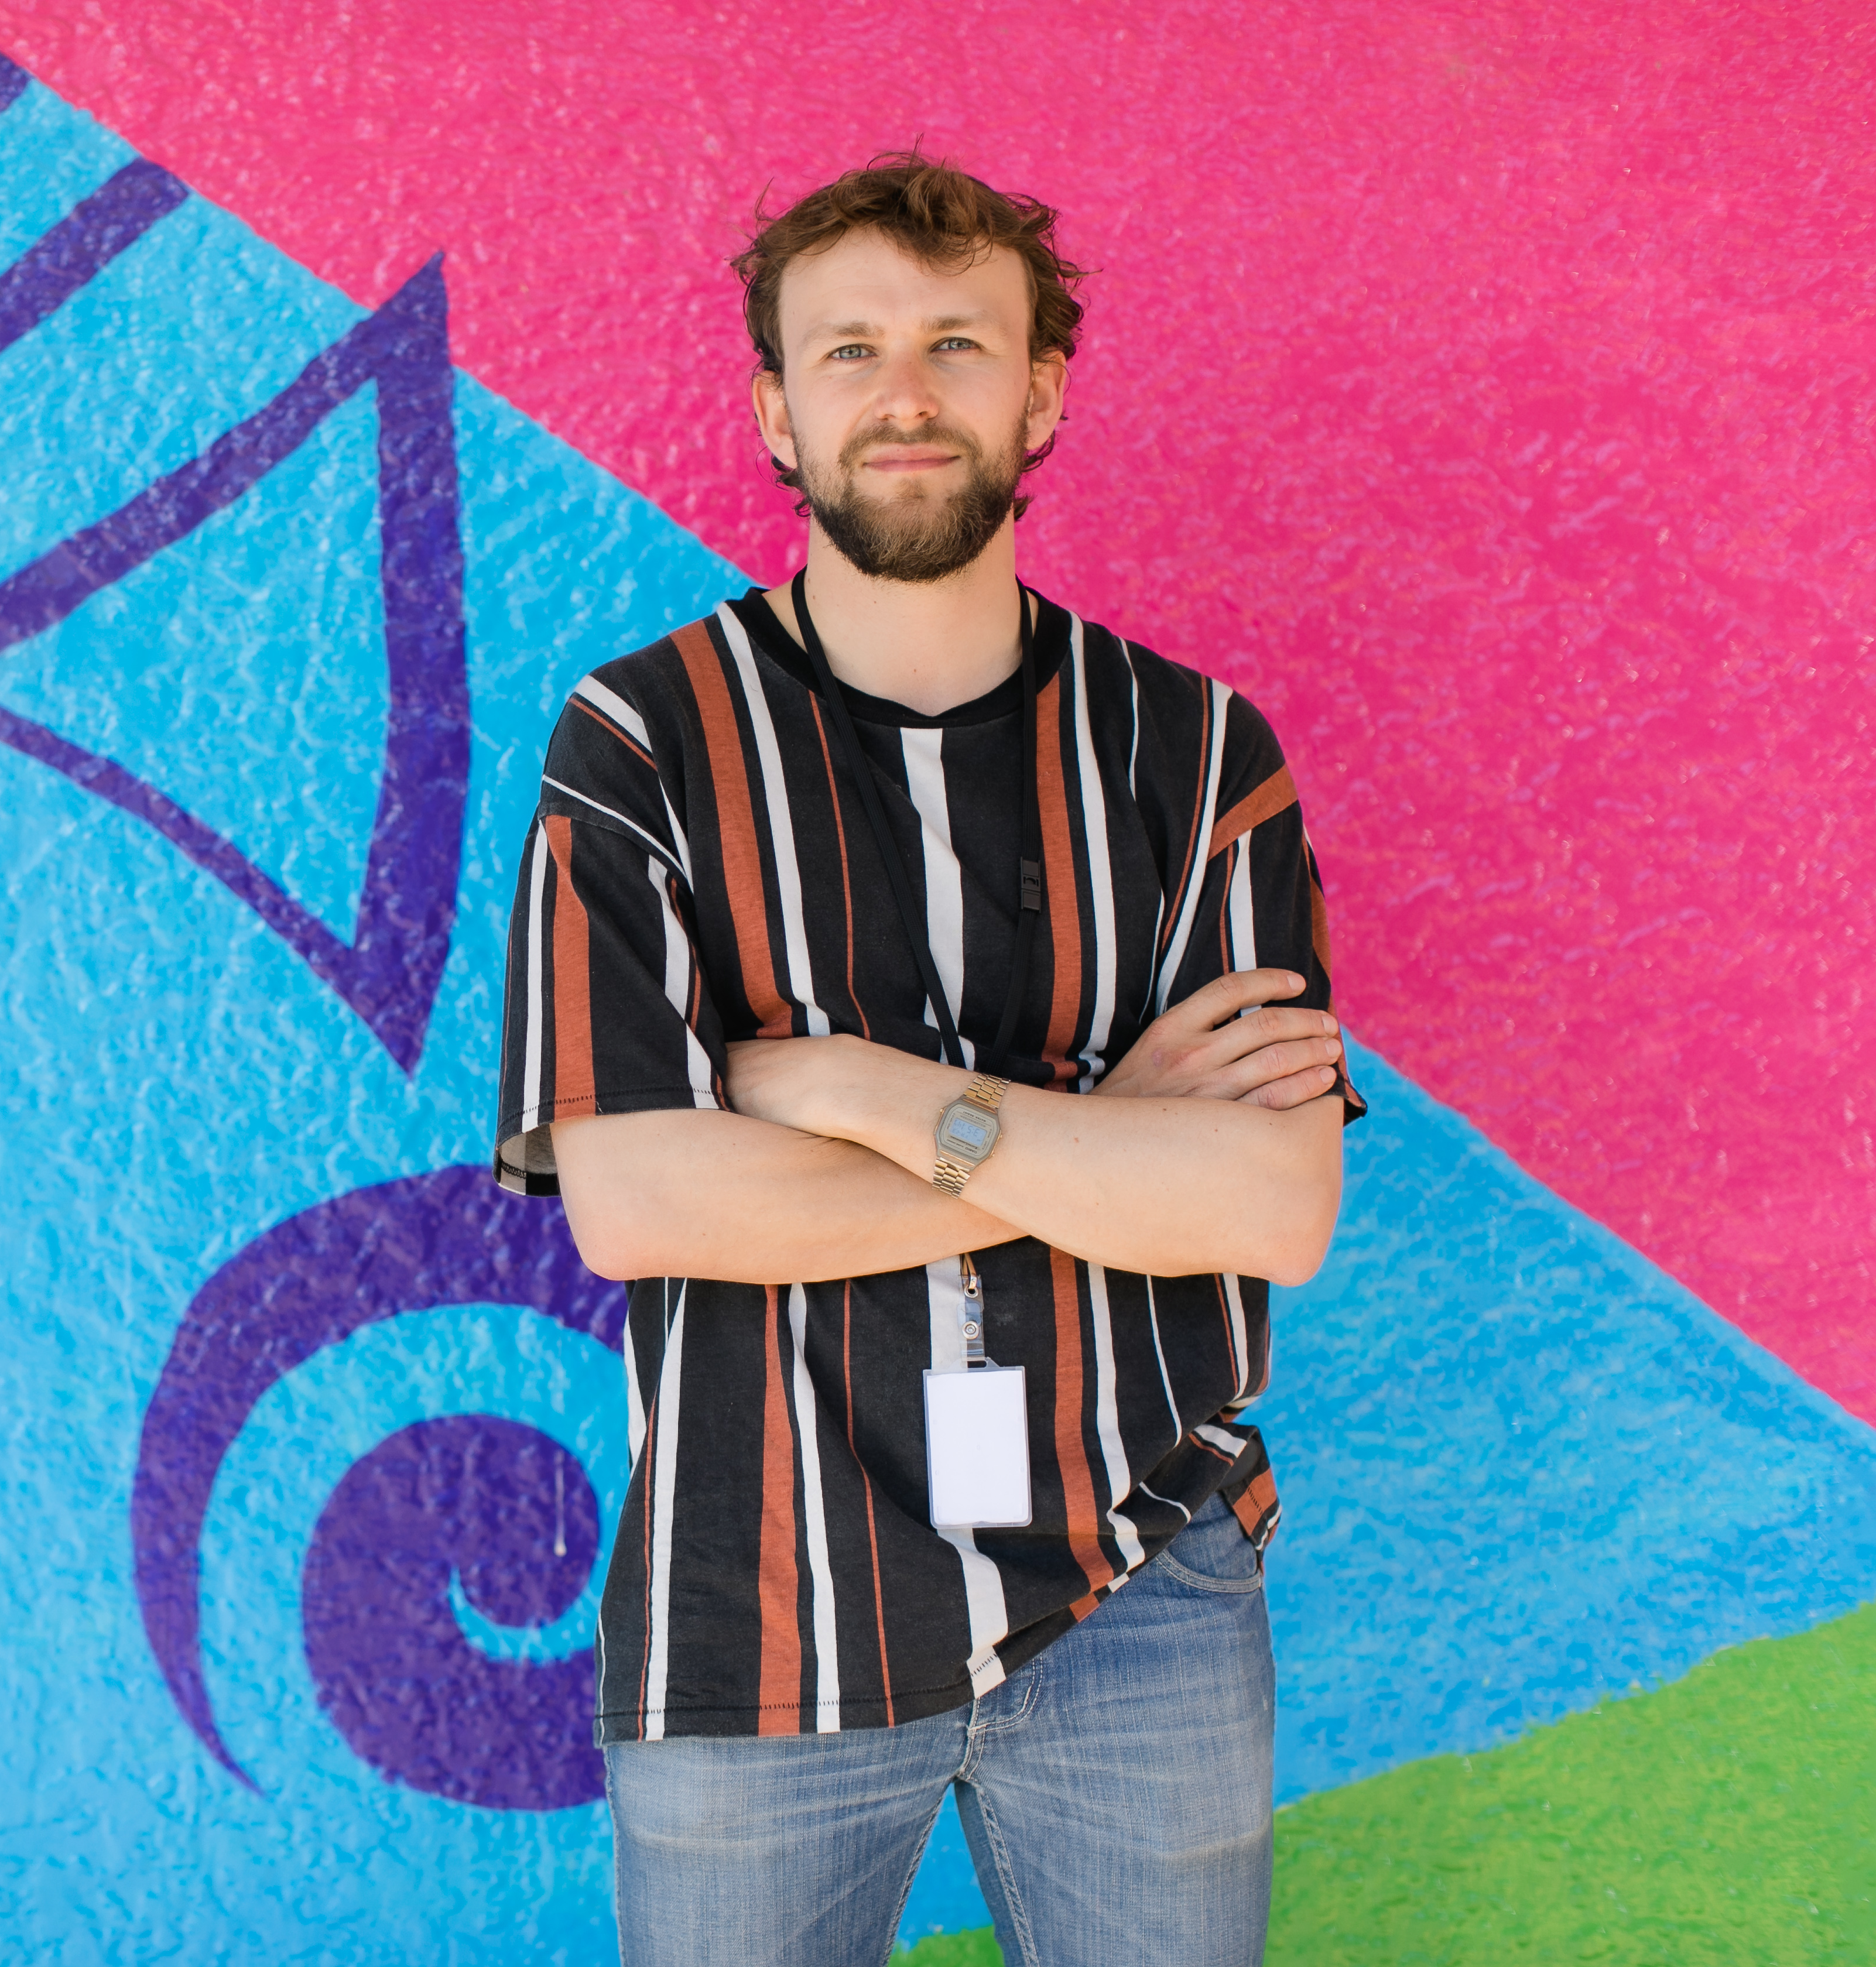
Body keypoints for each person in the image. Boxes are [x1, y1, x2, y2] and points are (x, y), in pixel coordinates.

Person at [493, 155, 1363, 1967]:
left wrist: (870, 1094)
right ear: (777, 409)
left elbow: (1274, 1208)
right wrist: (1105, 1144)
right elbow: (643, 1202)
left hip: (1147, 1586)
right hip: (756, 1604)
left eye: (960, 345)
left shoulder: (1199, 754)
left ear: (1038, 390)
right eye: (854, 350)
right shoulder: (641, 743)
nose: (906, 393)